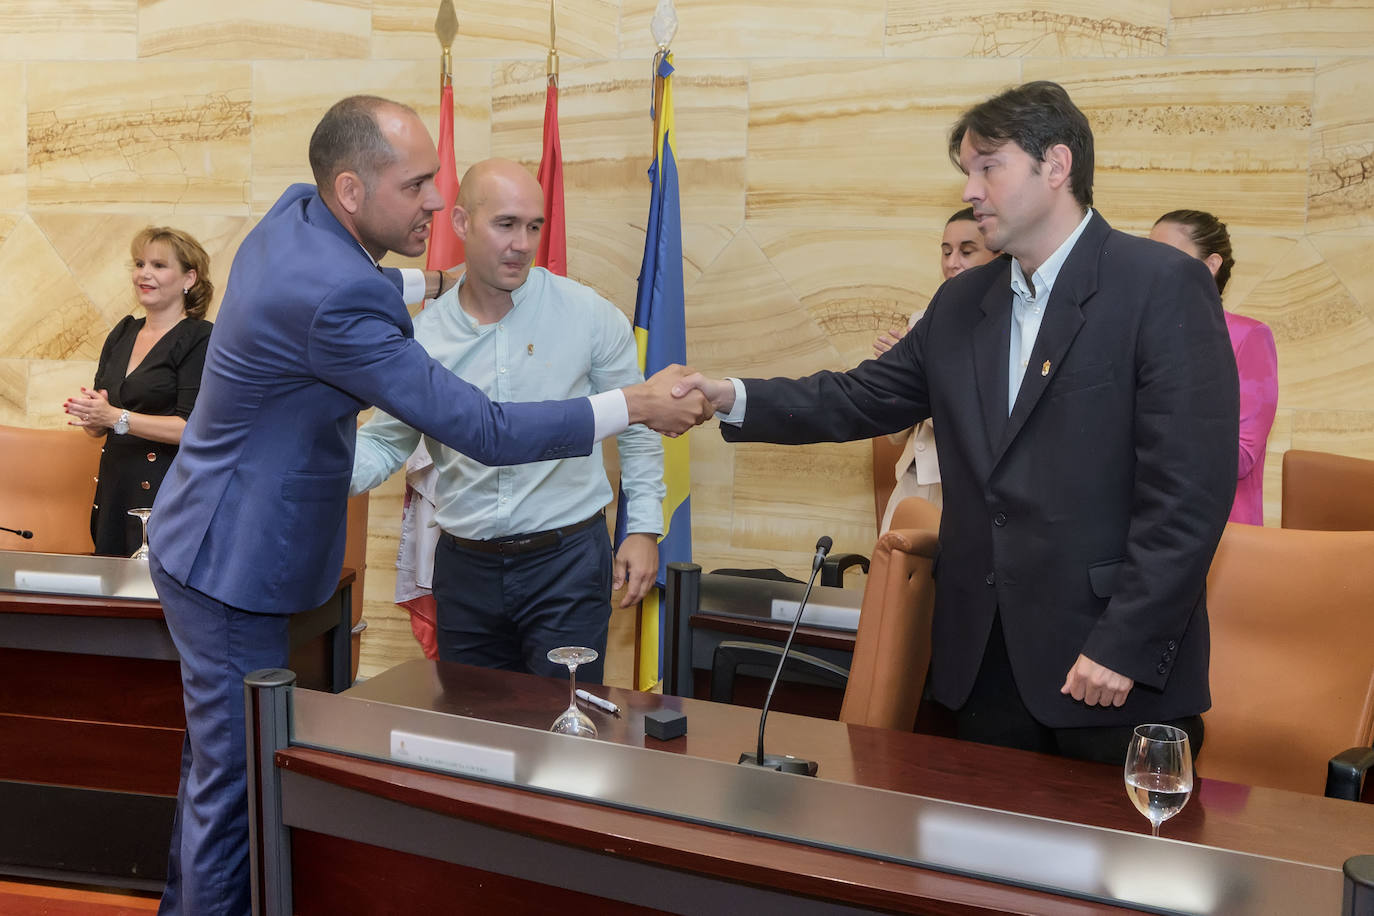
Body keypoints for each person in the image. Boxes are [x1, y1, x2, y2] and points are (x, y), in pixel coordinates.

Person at [146, 95, 708, 916]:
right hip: (234, 561)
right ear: (349, 189)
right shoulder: (343, 302)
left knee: (213, 769)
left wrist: (433, 276)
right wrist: (634, 406)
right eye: (416, 187)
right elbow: (482, 428)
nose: (436, 204)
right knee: (233, 789)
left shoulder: (290, 217)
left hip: (206, 536)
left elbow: (357, 282)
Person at [672, 81, 1238, 765]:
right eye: (967, 170)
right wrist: (727, 395)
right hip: (983, 669)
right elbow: (859, 397)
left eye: (987, 167)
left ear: (1054, 166)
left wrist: (1124, 643)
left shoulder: (1160, 285)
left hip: (1110, 671)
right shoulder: (963, 303)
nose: (970, 189)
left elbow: (1190, 493)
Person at [351, 159, 665, 684]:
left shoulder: (587, 315)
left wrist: (645, 529)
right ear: (460, 224)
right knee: (474, 734)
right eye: (506, 224)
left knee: (565, 739)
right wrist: (307, 467)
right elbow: (386, 442)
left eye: (534, 226)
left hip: (566, 565)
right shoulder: (422, 339)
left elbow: (635, 421)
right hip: (464, 570)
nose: (523, 243)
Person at [63, 228, 214, 556]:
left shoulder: (199, 338)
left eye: (159, 265)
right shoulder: (123, 332)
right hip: (116, 488)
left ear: (189, 278)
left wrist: (117, 417)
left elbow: (191, 429)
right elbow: (101, 424)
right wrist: (91, 415)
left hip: (165, 493)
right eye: (140, 263)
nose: (145, 273)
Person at [872, 208, 1000, 529]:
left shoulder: (1003, 329)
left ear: (999, 255)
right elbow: (894, 435)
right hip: (911, 482)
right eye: (946, 251)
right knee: (891, 576)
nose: (952, 262)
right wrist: (893, 380)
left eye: (966, 251)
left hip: (963, 490)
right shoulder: (921, 321)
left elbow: (982, 425)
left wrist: (921, 384)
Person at [1150, 209, 1277, 526]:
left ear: (1211, 265)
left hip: (1223, 533)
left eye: (1167, 256)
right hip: (1150, 527)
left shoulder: (1249, 337)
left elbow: (1241, 456)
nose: (1152, 269)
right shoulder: (1143, 336)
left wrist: (1145, 437)